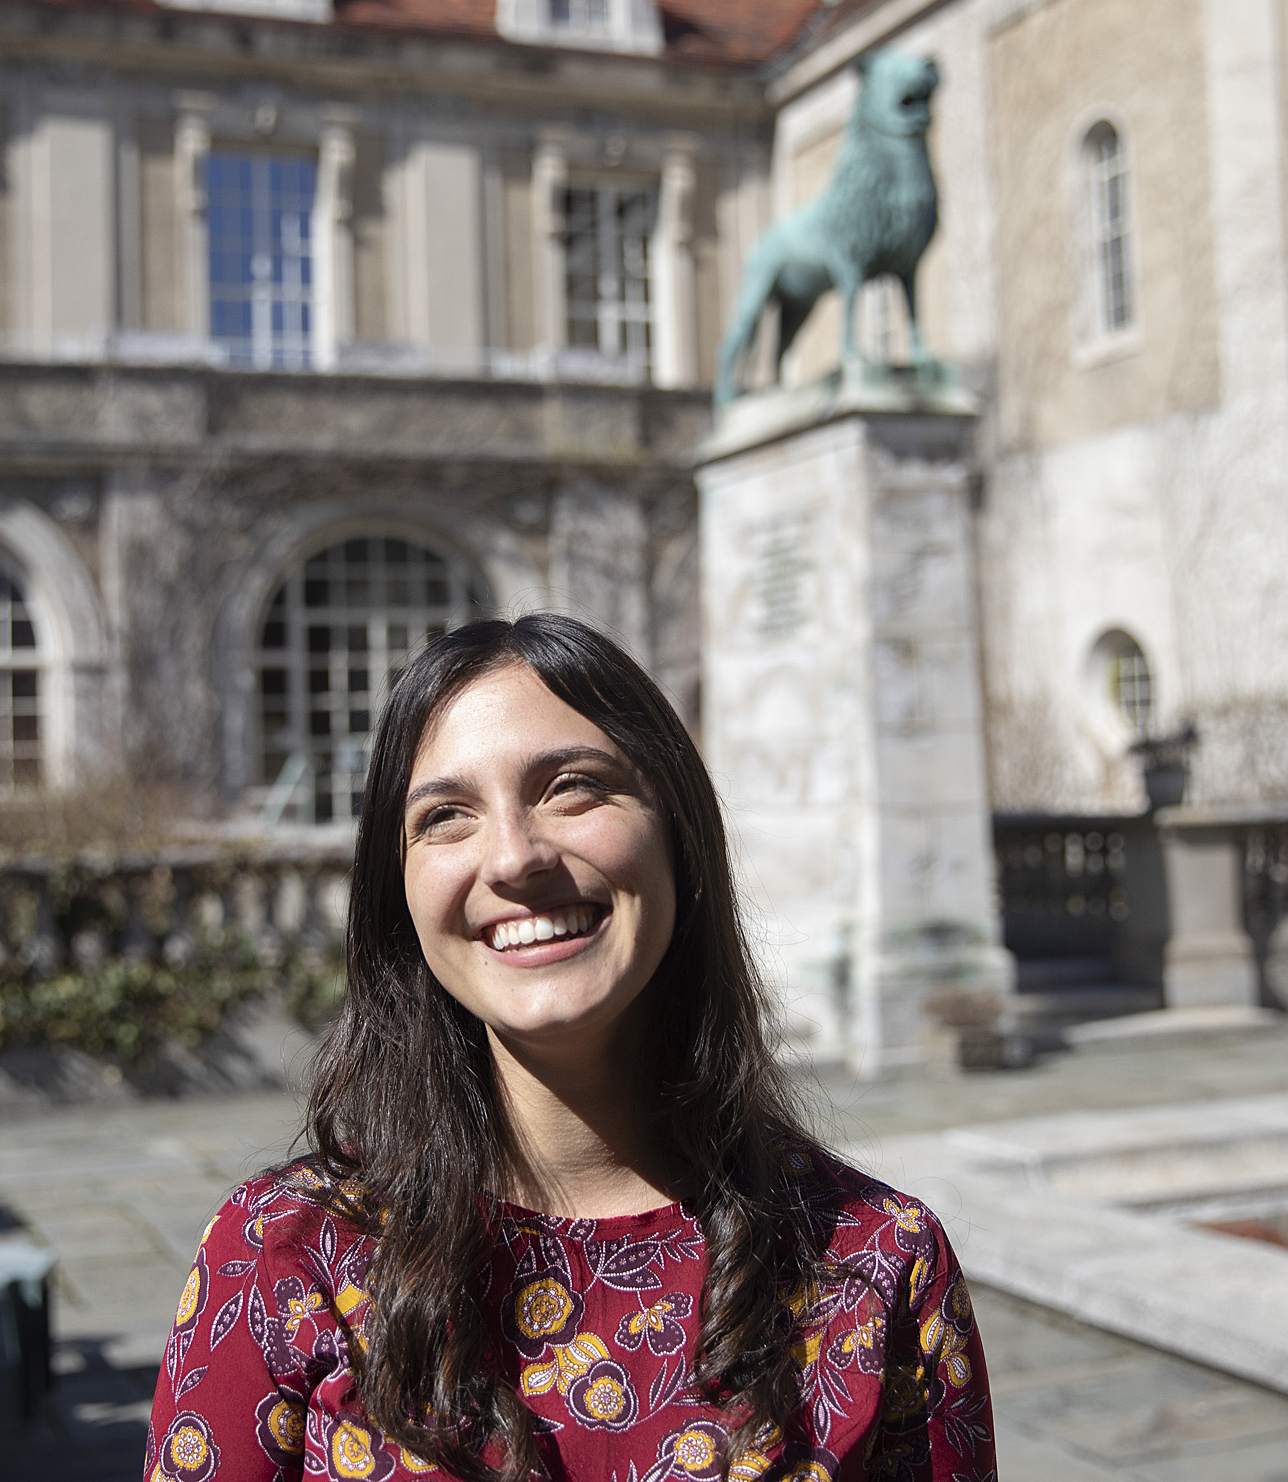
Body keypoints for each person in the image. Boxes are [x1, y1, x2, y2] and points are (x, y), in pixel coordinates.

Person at [144, 614, 995, 1482]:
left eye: (572, 787)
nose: (514, 856)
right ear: (395, 888)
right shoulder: (285, 1257)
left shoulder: (878, 1262)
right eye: (445, 814)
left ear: (678, 831)